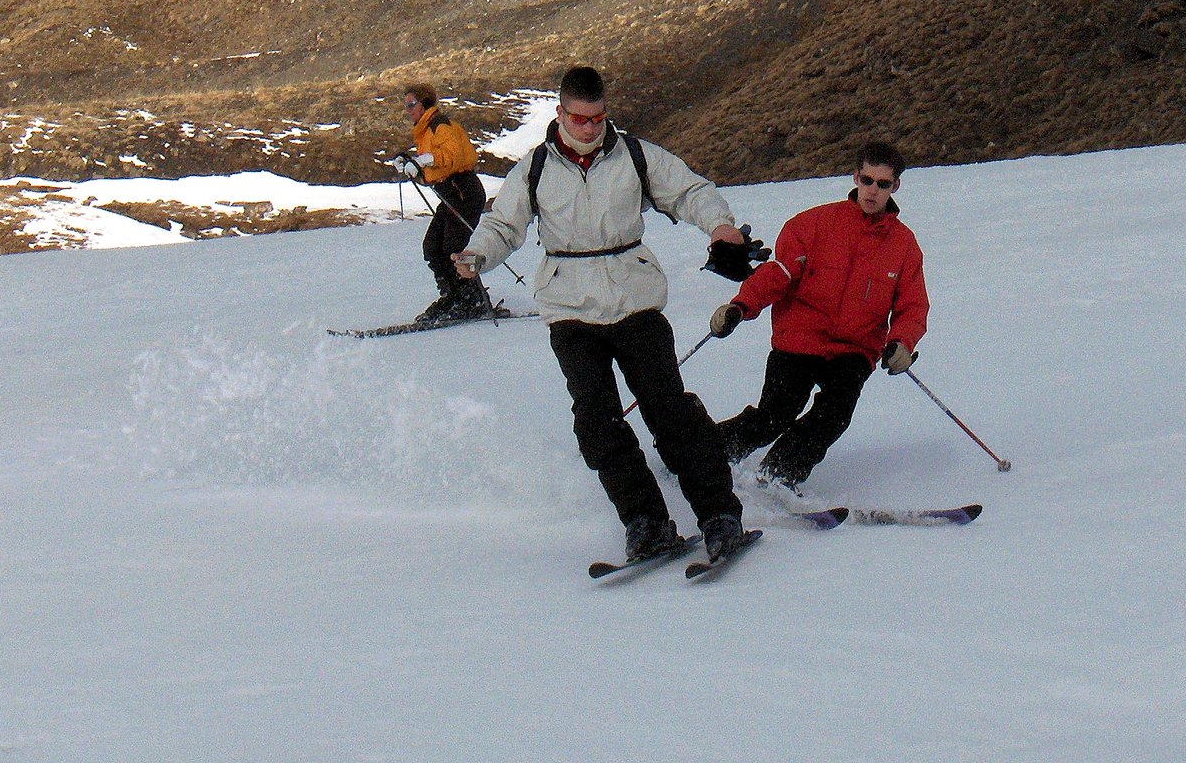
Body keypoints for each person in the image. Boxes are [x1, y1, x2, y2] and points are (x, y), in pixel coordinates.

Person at [454, 65, 748, 561]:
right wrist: (476, 254)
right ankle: (646, 522)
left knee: (668, 412)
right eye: (579, 118)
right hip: (569, 311)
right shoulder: (535, 168)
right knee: (596, 422)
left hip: (636, 302)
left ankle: (719, 515)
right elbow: (504, 223)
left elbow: (689, 190)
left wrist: (720, 225)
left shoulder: (635, 155)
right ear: (560, 114)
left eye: (597, 118)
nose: (589, 128)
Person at [709, 140, 930, 493]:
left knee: (833, 416)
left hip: (854, 350)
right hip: (799, 338)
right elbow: (778, 274)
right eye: (867, 180)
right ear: (855, 177)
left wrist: (902, 343)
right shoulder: (812, 225)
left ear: (895, 186)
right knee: (775, 414)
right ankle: (705, 454)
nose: (873, 191)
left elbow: (913, 305)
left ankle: (778, 477)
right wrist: (739, 307)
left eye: (883, 184)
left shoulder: (903, 245)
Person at [393, 82, 487, 322]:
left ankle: (471, 299)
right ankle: (454, 296)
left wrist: (422, 161)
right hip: (451, 194)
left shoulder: (439, 125)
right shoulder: (425, 131)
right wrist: (413, 165)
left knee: (453, 248)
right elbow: (438, 168)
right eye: (406, 105)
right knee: (433, 247)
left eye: (411, 104)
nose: (408, 109)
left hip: (464, 192)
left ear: (424, 104)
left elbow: (451, 155)